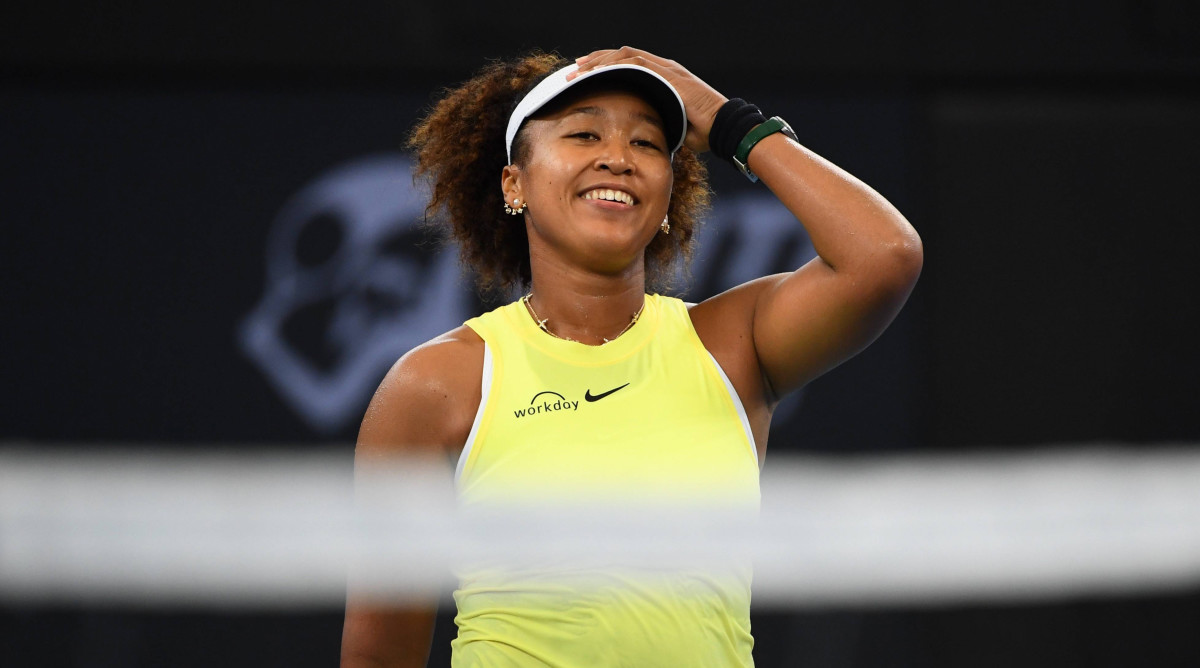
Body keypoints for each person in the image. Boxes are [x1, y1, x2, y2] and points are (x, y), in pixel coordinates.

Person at [340, 46, 922, 667]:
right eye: (585, 133)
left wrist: (728, 122)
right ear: (515, 182)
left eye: (647, 145)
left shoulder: (733, 345)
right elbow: (379, 657)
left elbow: (884, 255)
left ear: (671, 195)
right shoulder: (436, 383)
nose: (617, 157)